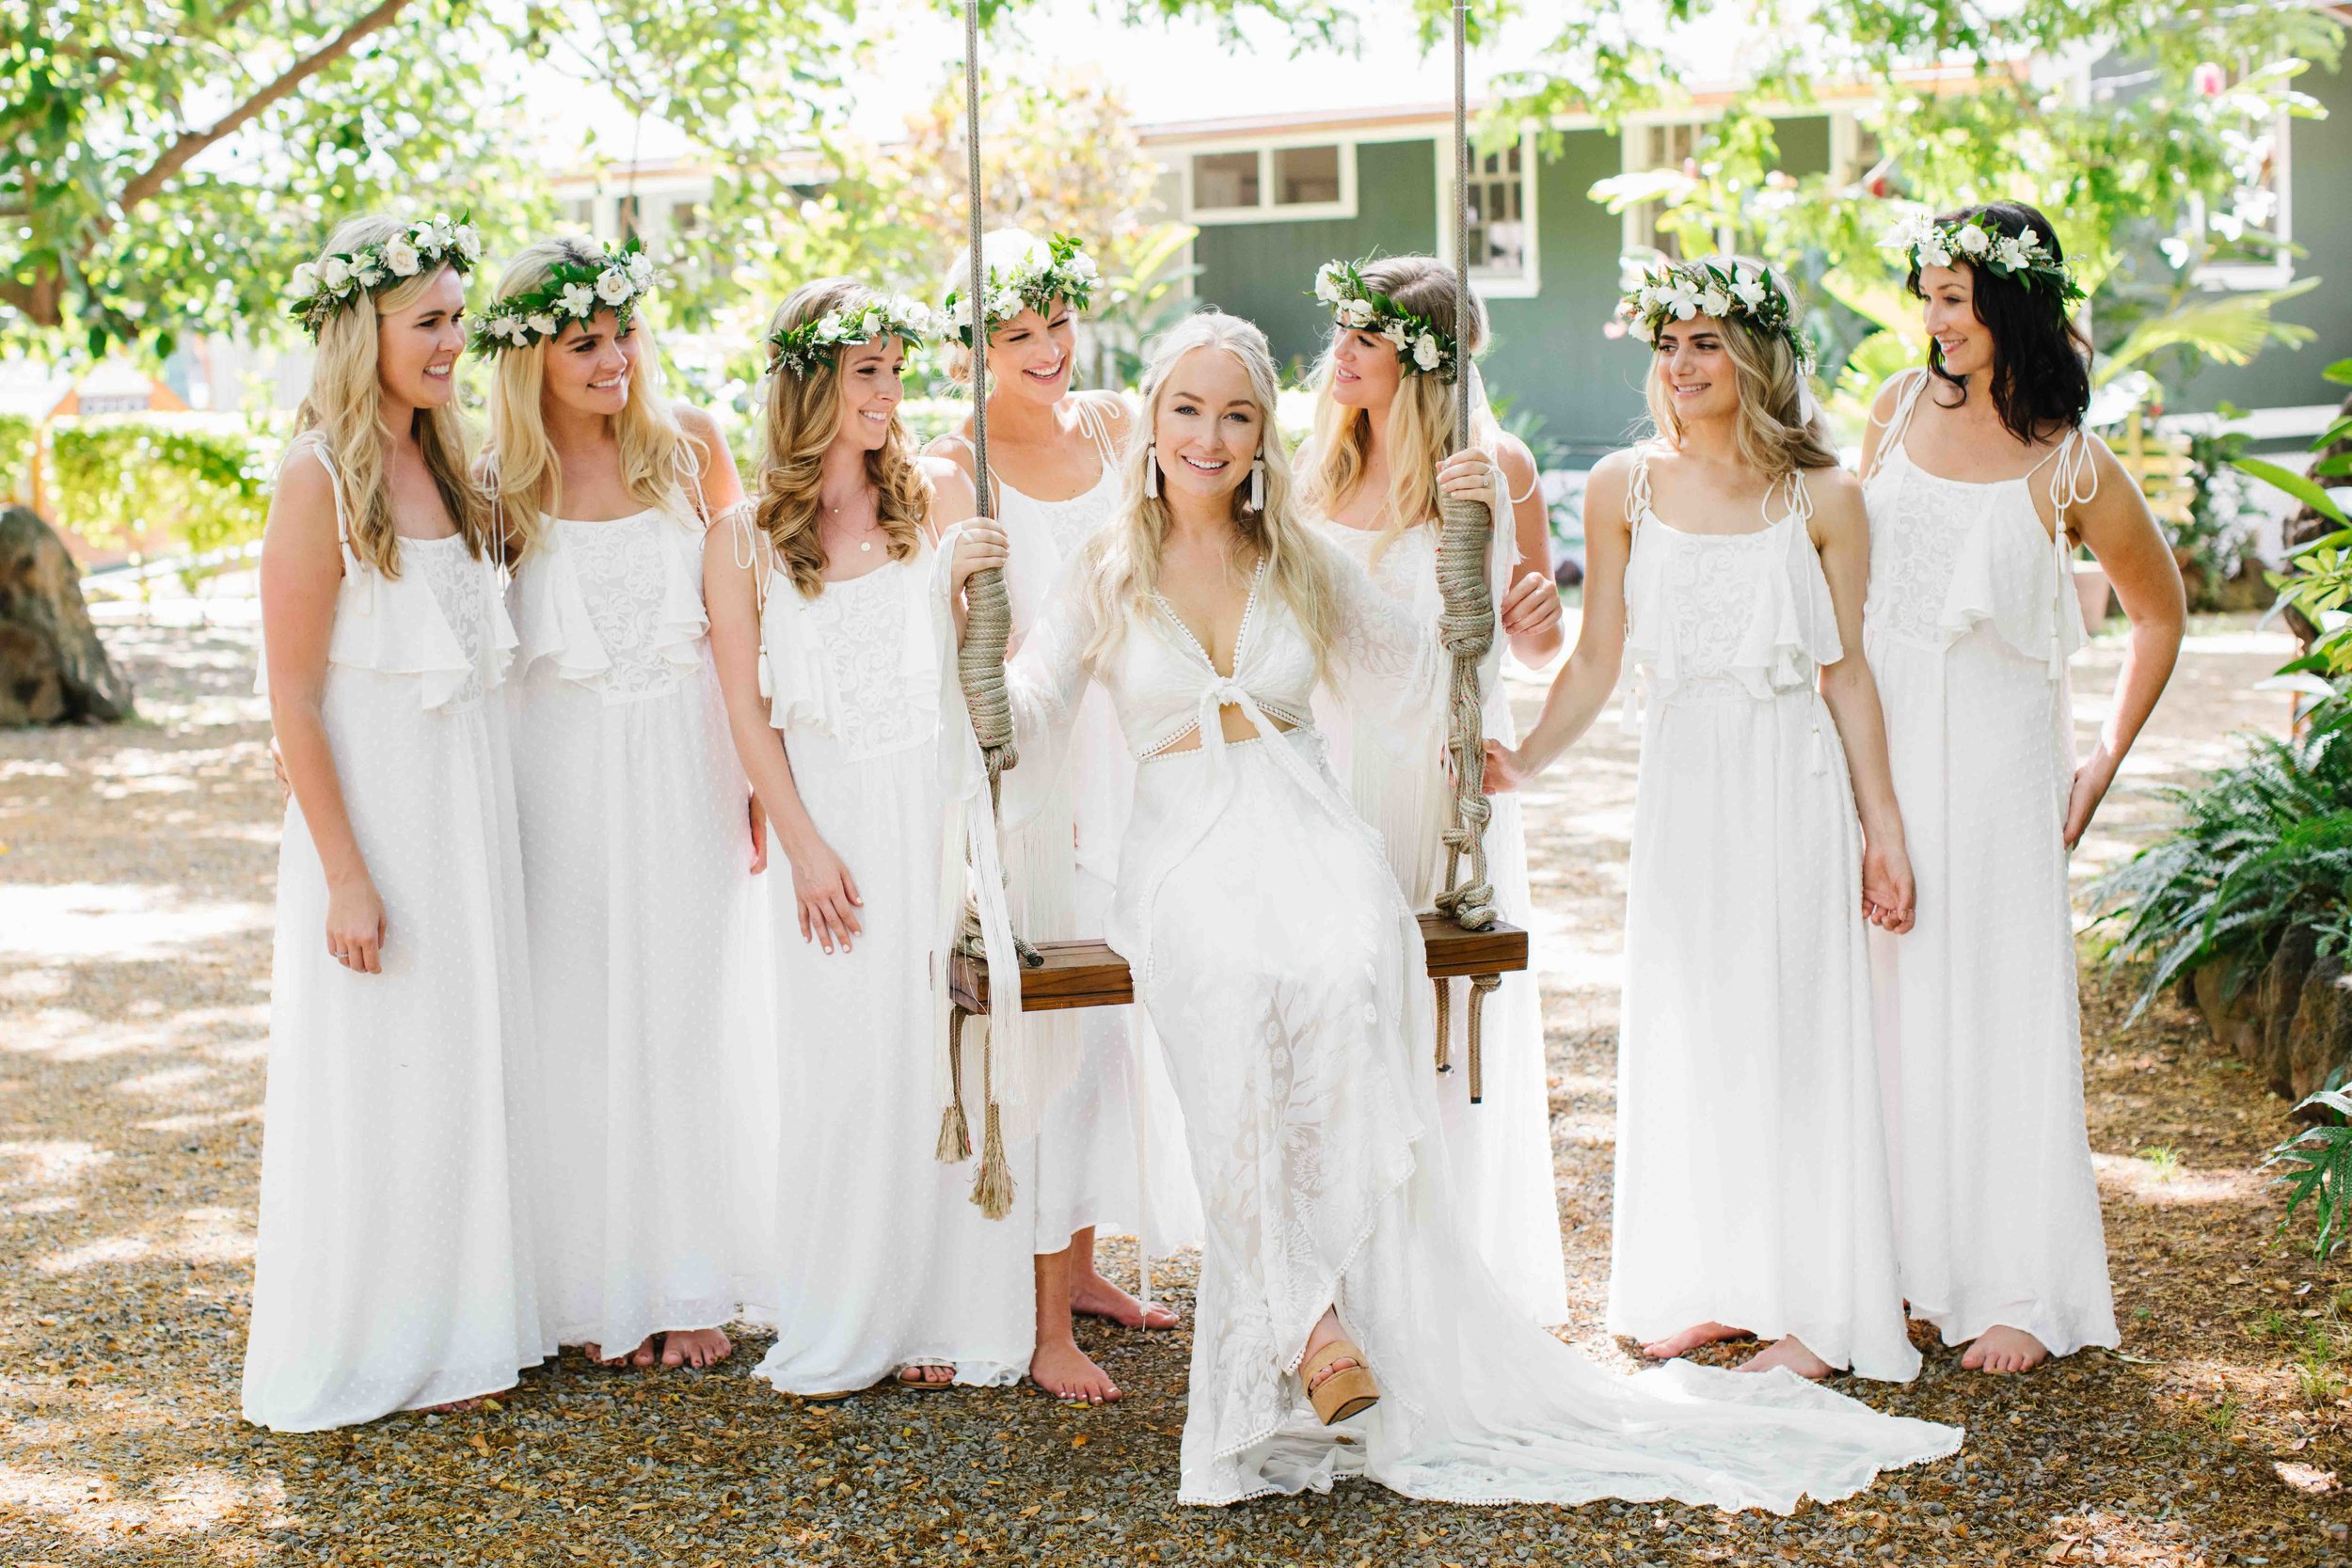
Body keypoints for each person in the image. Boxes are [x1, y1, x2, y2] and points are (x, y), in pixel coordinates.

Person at [992, 308, 1959, 1509]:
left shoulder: (1295, 552)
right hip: (1183, 843)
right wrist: (981, 646)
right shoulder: (1107, 564)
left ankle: (1331, 1316)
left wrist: (1488, 587)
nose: (1209, 434)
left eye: (1235, 413)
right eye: (1186, 409)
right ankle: (1312, 1325)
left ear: (1259, 435)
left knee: (1350, 971)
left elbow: (1418, 667)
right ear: (1152, 423)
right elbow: (1032, 698)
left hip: (1304, 824)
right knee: (1232, 992)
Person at [1487, 258, 1921, 1382]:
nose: (1680, 366)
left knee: (1793, 1031)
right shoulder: (1622, 486)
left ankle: (1817, 1312)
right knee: (1698, 1023)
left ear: (1756, 357)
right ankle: (1718, 1282)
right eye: (1667, 344)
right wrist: (1524, 757)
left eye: (1705, 343)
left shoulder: (1825, 495)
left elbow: (1850, 675)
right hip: (1683, 788)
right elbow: (1593, 661)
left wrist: (1882, 827)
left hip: (1786, 779)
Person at [1863, 203, 2185, 1373]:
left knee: (1997, 1002)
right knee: (1883, 995)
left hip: (2000, 760)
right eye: (1930, 294)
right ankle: (1890, 1257)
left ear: (2013, 303)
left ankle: (2015, 1281)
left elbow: (2160, 613)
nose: (1936, 318)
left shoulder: (2072, 461)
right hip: (1887, 738)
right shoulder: (1892, 410)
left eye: (1957, 296)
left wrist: (2099, 762)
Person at [245, 214, 549, 1429]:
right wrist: (345, 874)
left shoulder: (455, 466)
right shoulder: (318, 476)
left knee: (464, 1065)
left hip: (463, 802)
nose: (451, 341)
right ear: (356, 330)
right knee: (385, 1076)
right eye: (426, 320)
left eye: (455, 319)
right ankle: (378, 1334)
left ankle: (467, 1323)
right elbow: (291, 693)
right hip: (377, 816)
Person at [705, 277, 1033, 1396]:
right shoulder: (741, 536)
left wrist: (988, 583)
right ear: (810, 382)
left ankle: (950, 1310)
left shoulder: (935, 497)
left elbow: (988, 650)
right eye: (865, 372)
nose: (888, 393)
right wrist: (799, 843)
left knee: (948, 1052)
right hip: (832, 823)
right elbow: (746, 713)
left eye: (896, 371)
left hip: (934, 810)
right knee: (846, 1070)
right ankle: (850, 1309)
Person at [477, 233, 762, 1373]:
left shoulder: (690, 448)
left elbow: (749, 624)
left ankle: (688, 1275)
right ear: (530, 358)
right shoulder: (498, 478)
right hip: (560, 767)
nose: (611, 360)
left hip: (684, 756)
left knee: (683, 1008)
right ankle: (601, 1280)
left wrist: (757, 774)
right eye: (582, 344)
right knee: (582, 1014)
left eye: (620, 334)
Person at [930, 229, 1200, 1405]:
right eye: (1015, 333)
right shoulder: (955, 461)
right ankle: (1041, 1322)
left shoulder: (1113, 426)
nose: (1044, 351)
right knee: (1044, 1029)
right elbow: (944, 628)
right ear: (977, 345)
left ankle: (1087, 1264)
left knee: (1114, 1031)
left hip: (1128, 744)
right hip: (1035, 757)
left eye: (1054, 325)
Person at [1296, 255, 1568, 1324]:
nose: (1339, 354)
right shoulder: (1315, 465)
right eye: (1341, 331)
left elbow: (1533, 648)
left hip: (1432, 775)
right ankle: (1341, 1270)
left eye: (1365, 336)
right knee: (1330, 1007)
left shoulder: (1487, 466)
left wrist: (1541, 626)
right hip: (1321, 769)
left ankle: (1431, 1277)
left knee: (1427, 1015)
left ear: (1422, 358)